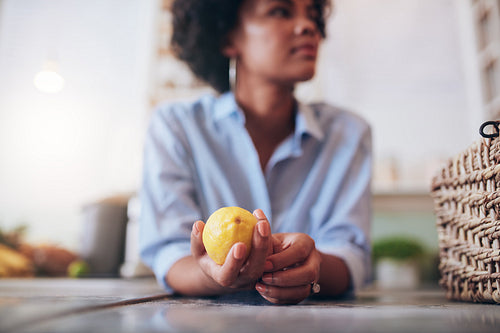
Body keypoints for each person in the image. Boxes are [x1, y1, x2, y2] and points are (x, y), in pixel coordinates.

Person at [140, 0, 372, 305]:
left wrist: (314, 266)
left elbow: (350, 256)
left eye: (313, 14)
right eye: (281, 11)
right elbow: (170, 253)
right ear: (227, 38)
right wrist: (212, 274)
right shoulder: (176, 126)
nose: (309, 27)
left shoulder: (348, 133)